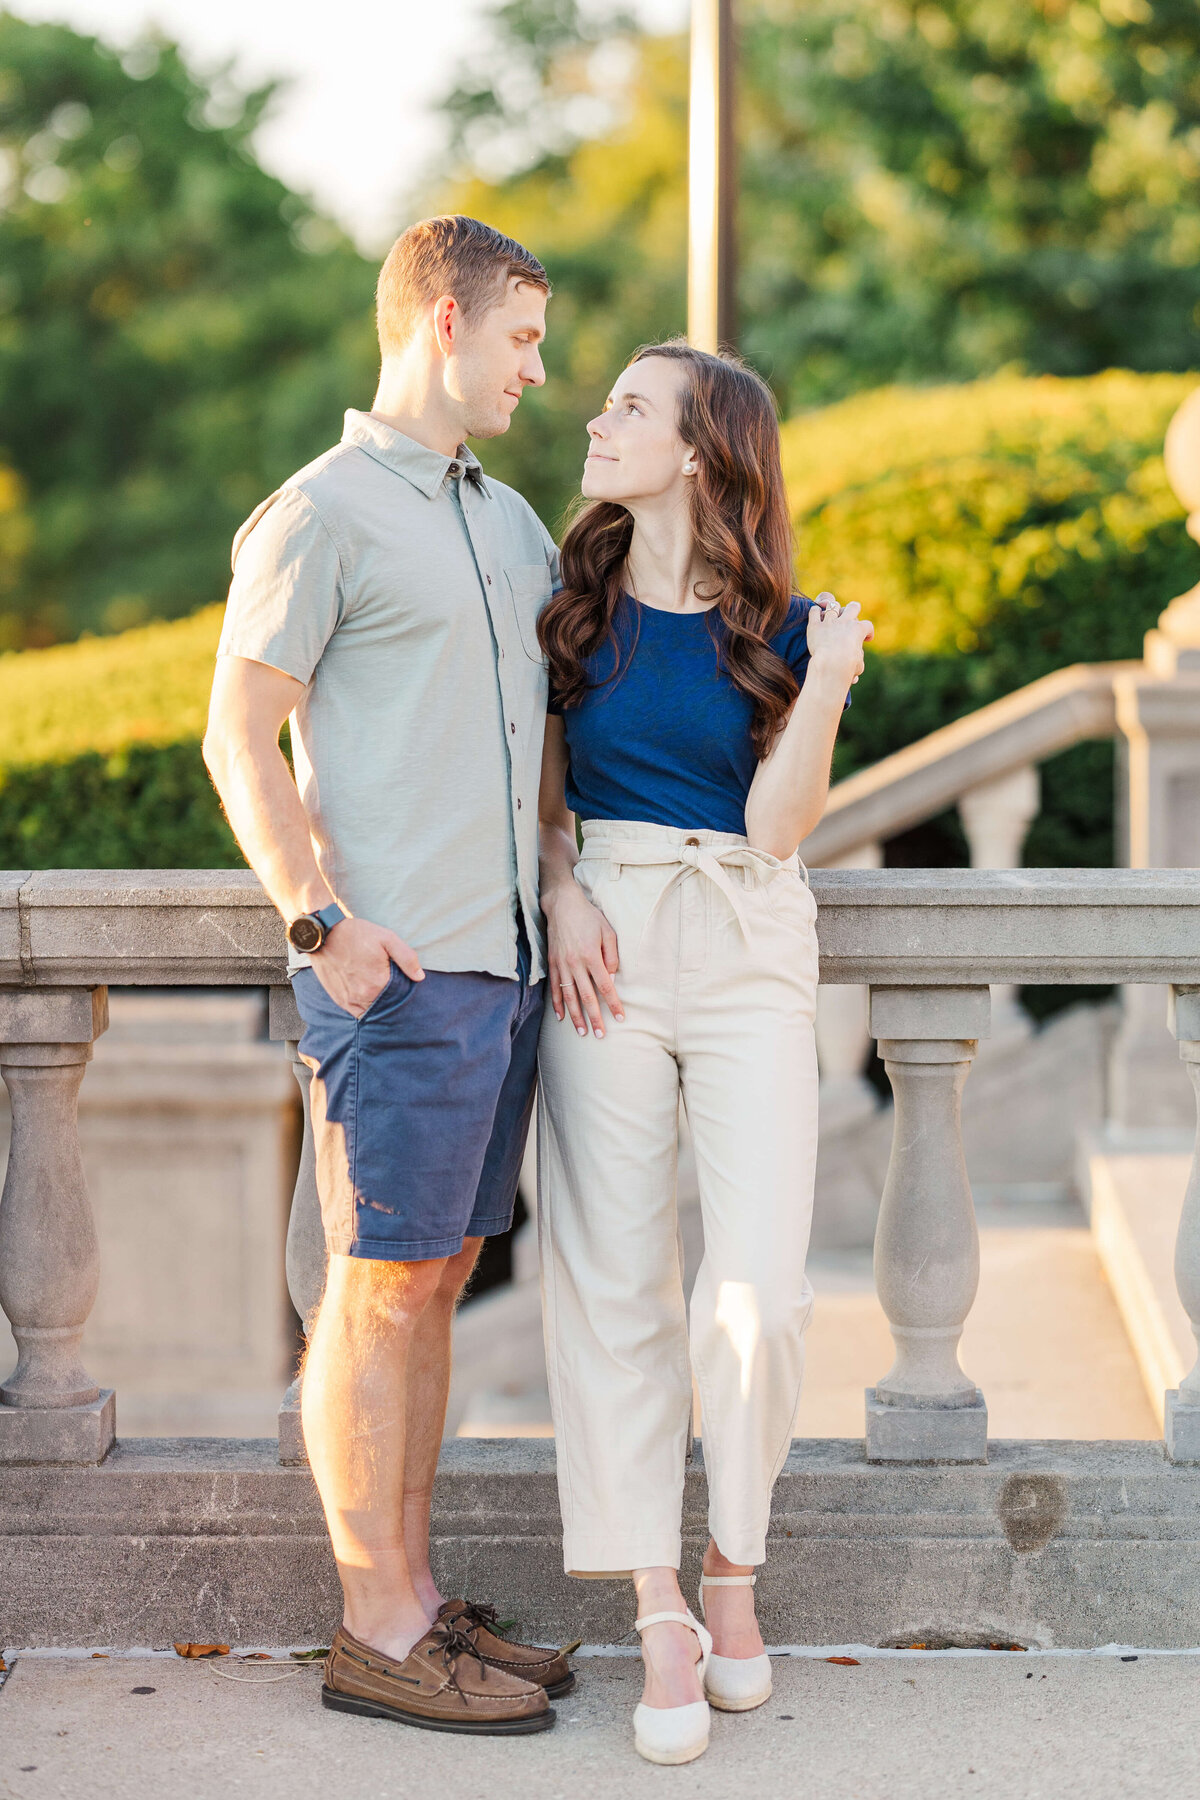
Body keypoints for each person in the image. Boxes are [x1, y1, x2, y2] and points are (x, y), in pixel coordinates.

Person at [203, 215, 573, 1736]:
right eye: (522, 341)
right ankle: (376, 1625)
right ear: (442, 319)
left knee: (438, 1278)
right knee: (376, 1288)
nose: (538, 372)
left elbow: (546, 737)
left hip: (508, 964)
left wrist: (557, 885)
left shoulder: (514, 523)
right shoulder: (317, 513)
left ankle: (419, 1600)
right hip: (395, 974)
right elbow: (237, 732)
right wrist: (318, 922)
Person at [535, 340, 872, 1765]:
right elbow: (541, 803)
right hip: (606, 930)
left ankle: (735, 1558)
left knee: (761, 1290)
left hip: (742, 939)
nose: (598, 419)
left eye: (629, 406)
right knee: (614, 1278)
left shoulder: (782, 626)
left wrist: (836, 674)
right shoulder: (570, 617)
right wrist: (560, 895)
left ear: (698, 451)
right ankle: (662, 1606)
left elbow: (782, 827)